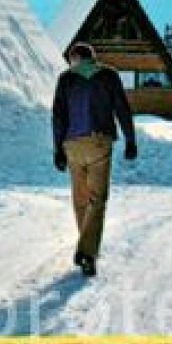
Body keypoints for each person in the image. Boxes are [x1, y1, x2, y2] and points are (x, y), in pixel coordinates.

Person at [51, 42, 137, 278]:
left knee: (80, 199)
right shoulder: (108, 75)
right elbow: (122, 108)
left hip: (72, 145)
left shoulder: (66, 79)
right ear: (93, 57)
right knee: (97, 199)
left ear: (75, 58)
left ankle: (87, 248)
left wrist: (57, 148)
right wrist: (130, 139)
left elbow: (58, 115)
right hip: (99, 142)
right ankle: (88, 252)